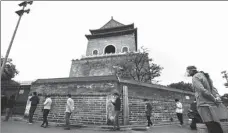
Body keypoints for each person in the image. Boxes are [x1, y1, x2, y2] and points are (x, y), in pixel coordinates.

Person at [186, 65, 228, 133]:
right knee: (215, 124)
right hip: (212, 105)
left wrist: (214, 99)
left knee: (211, 125)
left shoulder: (195, 77)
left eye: (188, 71)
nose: (188, 73)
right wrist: (217, 98)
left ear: (191, 70)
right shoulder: (205, 76)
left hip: (203, 105)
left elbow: (202, 91)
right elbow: (214, 90)